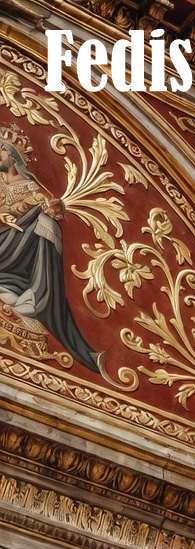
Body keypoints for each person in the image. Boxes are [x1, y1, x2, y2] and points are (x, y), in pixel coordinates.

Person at [0, 135, 103, 373]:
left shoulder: (31, 188)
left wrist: (49, 208)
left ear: (14, 157)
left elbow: (51, 208)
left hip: (15, 247)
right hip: (5, 241)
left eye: (2, 151)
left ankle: (38, 292)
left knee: (46, 223)